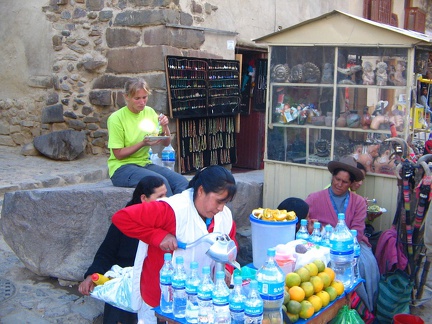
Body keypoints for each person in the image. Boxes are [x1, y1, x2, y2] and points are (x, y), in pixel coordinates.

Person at [112, 165, 238, 323]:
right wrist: (158, 236)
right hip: (160, 299)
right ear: (201, 191)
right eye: (219, 201)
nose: (221, 208)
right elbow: (121, 218)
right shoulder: (172, 210)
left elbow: (230, 244)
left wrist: (226, 270)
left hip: (199, 299)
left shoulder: (224, 216)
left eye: (225, 203)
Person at [78, 176, 167, 324]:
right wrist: (91, 275)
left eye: (166, 195)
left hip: (153, 283)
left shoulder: (166, 220)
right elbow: (106, 252)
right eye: (160, 196)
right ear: (144, 198)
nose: (166, 200)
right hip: (123, 282)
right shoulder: (125, 221)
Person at [305, 156, 379, 313]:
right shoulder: (314, 198)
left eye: (344, 182)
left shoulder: (358, 202)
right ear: (332, 177)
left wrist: (337, 241)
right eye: (337, 179)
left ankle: (360, 311)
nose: (339, 184)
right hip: (320, 246)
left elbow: (357, 234)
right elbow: (304, 224)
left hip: (352, 247)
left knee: (364, 266)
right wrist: (312, 229)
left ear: (351, 184)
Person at [107, 77, 188, 196]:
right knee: (161, 183)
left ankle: (181, 212)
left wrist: (165, 126)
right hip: (122, 169)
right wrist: (142, 143)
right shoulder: (116, 119)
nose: (142, 102)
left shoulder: (149, 112)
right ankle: (167, 212)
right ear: (127, 97)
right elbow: (118, 154)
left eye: (144, 97)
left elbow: (166, 143)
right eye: (137, 98)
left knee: (181, 182)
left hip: (144, 163)